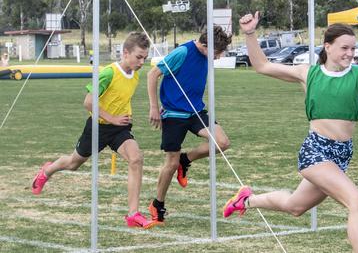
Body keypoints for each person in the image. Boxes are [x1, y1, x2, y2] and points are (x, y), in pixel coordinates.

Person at [222, 12, 358, 253]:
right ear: (327, 46)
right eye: (344, 48)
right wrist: (250, 33)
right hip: (316, 151)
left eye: (353, 48)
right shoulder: (308, 73)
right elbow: (262, 66)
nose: (350, 53)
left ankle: (246, 200)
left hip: (341, 155)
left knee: (295, 207)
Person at [31, 32, 156, 229]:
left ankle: (133, 214)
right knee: (73, 164)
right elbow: (88, 102)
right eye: (138, 57)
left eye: (145, 58)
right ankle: (47, 170)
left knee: (136, 158)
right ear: (125, 53)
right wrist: (113, 117)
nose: (142, 62)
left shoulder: (135, 76)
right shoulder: (108, 73)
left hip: (120, 129)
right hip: (97, 127)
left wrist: (121, 118)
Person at [147, 26, 232, 224]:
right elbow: (152, 75)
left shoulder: (206, 56)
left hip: (196, 112)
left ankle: (186, 160)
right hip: (174, 114)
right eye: (217, 53)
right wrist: (153, 107)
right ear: (205, 45)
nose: (218, 58)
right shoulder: (183, 52)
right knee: (170, 163)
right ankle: (157, 204)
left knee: (222, 142)